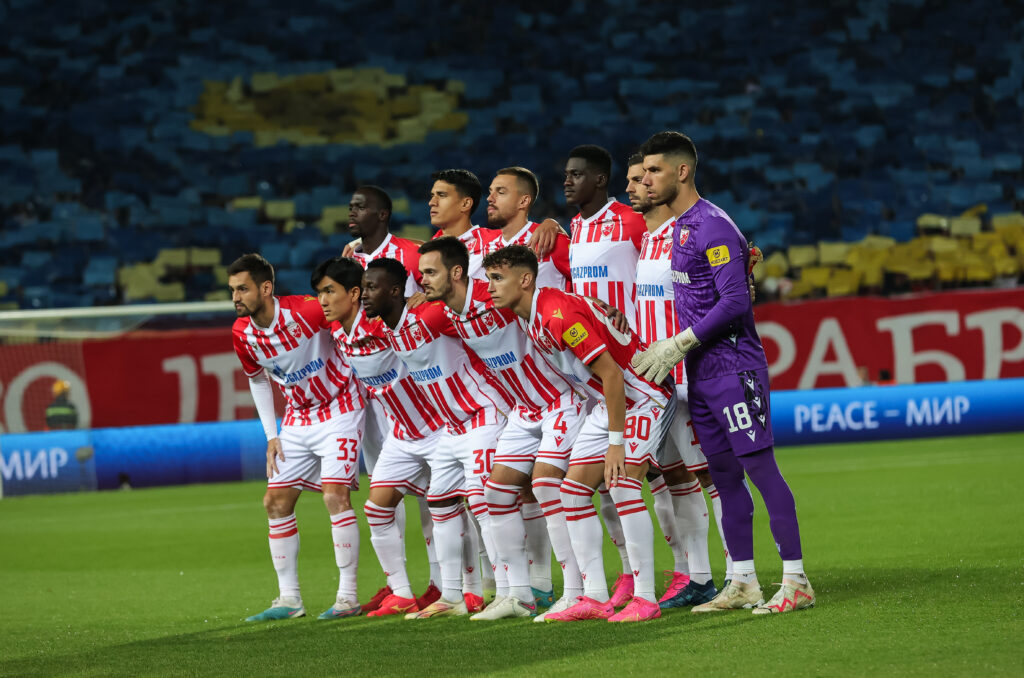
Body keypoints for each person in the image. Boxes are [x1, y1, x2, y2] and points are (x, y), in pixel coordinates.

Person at [634, 131, 815, 614]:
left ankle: (796, 580)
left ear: (682, 171)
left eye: (653, 170)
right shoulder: (680, 228)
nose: (646, 180)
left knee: (761, 469)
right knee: (725, 477)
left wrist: (679, 342)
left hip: (734, 369)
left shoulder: (711, 226)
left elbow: (735, 301)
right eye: (643, 172)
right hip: (702, 373)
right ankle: (743, 581)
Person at [484, 245, 675, 623]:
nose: (489, 287)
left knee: (621, 485)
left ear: (525, 280)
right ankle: (594, 598)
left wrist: (616, 443)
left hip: (642, 397)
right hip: (605, 404)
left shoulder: (556, 315)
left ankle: (646, 598)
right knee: (571, 492)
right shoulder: (533, 315)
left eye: (496, 278)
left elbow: (613, 374)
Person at [419, 236, 588, 621]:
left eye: (430, 272)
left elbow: (549, 299)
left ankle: (578, 590)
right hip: (523, 411)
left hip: (561, 400)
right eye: (420, 274)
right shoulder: (446, 314)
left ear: (457, 272)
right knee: (496, 494)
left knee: (547, 487)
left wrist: (601, 307)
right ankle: (520, 595)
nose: (422, 281)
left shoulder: (496, 293)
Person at [367, 257, 516, 618]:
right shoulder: (388, 329)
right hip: (450, 428)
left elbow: (479, 303)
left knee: (484, 503)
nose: (365, 295)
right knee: (440, 503)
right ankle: (451, 597)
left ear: (394, 291)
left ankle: (511, 593)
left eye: (372, 287)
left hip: (482, 414)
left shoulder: (432, 315)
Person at [311, 256, 458, 617]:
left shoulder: (381, 323)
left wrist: (422, 297)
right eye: (319, 294)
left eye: (330, 291)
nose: (323, 301)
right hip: (402, 435)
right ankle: (403, 593)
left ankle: (469, 588)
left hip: (438, 427)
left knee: (453, 509)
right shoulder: (337, 334)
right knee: (378, 509)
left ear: (356, 293)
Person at [228, 253, 365, 622]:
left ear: (266, 288)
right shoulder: (242, 333)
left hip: (341, 406)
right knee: (275, 502)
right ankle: (289, 599)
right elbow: (257, 379)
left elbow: (351, 316)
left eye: (243, 289)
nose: (236, 297)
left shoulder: (306, 310)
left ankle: (348, 597)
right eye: (233, 290)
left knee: (335, 496)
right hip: (298, 419)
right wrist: (271, 435)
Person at [624, 154, 723, 608]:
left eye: (643, 178)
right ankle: (698, 577)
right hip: (655, 383)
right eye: (634, 178)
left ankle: (740, 573)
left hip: (687, 375)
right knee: (675, 476)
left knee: (714, 477)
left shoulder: (686, 236)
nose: (636, 186)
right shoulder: (648, 240)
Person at [344, 184, 445, 610]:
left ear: (382, 214)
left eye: (361, 206)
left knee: (430, 487)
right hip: (371, 390)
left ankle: (442, 579)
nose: (352, 211)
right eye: (351, 205)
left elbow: (441, 282)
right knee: (385, 484)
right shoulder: (349, 257)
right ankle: (398, 579)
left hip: (408, 379)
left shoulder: (411, 251)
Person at [564, 144, 648, 605]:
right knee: (607, 487)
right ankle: (628, 576)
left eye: (576, 175)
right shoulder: (574, 228)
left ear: (599, 179)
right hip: (596, 374)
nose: (567, 181)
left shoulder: (633, 221)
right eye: (565, 174)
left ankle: (690, 575)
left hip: (643, 367)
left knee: (677, 478)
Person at [482, 167, 572, 291]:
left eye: (501, 192)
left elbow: (587, 283)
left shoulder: (549, 240)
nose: (489, 198)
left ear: (523, 201)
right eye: (490, 192)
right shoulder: (485, 246)